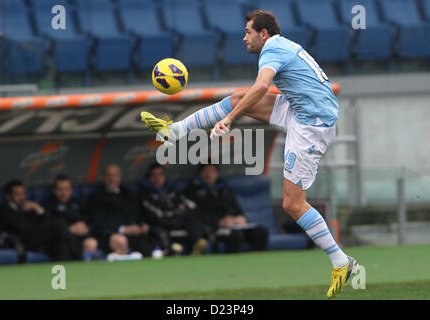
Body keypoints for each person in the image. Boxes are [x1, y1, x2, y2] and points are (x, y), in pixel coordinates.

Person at [140, 10, 358, 298]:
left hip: (311, 125)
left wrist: (229, 119)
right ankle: (175, 131)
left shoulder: (273, 49)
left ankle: (341, 262)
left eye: (248, 32)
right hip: (302, 110)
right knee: (236, 98)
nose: (244, 37)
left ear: (263, 34)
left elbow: (262, 86)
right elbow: (261, 90)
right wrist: (233, 111)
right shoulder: (281, 46)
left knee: (293, 204)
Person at [185, 163, 268, 253]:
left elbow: (236, 208)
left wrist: (240, 218)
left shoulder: (224, 188)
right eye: (206, 171)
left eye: (212, 171)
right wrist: (219, 222)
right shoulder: (193, 191)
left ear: (217, 173)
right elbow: (196, 215)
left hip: (234, 225)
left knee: (261, 232)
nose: (209, 175)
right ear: (200, 173)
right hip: (214, 229)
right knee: (236, 235)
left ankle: (258, 264)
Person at [0, 179, 81, 261]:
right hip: (20, 242)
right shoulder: (5, 210)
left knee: (61, 245)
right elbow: (23, 229)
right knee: (57, 223)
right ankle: (79, 256)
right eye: (17, 194)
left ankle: (67, 273)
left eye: (23, 193)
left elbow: (46, 220)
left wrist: (38, 209)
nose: (22, 197)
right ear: (8, 197)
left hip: (36, 239)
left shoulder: (28, 208)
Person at [85, 163, 160, 258]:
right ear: (103, 177)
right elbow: (98, 222)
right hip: (107, 235)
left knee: (152, 242)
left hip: (132, 233)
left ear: (119, 177)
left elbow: (137, 214)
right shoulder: (96, 196)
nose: (112, 179)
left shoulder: (128, 193)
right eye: (109, 176)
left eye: (115, 175)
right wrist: (122, 229)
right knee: (120, 240)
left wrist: (139, 226)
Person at [139, 163, 208, 255]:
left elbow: (192, 208)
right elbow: (158, 217)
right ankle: (172, 250)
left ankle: (196, 246)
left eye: (160, 174)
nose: (157, 178)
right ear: (149, 177)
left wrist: (174, 213)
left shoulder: (173, 190)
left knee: (193, 219)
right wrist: (178, 212)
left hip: (179, 222)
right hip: (163, 228)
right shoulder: (145, 194)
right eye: (154, 175)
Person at [43, 174, 101, 261]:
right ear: (54, 190)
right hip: (59, 241)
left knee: (91, 242)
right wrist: (70, 229)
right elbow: (49, 226)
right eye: (60, 189)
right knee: (62, 246)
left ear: (71, 190)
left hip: (79, 238)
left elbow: (90, 220)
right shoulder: (48, 205)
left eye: (66, 189)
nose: (63, 193)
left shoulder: (78, 203)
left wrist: (86, 228)